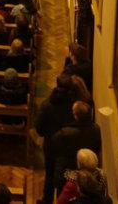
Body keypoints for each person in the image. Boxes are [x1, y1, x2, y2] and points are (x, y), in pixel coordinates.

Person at [35, 75, 80, 204]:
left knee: (49, 174)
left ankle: (47, 200)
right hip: (68, 146)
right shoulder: (74, 106)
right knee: (64, 176)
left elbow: (39, 127)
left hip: (50, 145)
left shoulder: (47, 105)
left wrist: (46, 133)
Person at [52, 101, 103, 193]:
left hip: (66, 174)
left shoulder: (64, 133)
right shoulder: (96, 129)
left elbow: (54, 147)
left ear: (75, 116)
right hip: (88, 176)